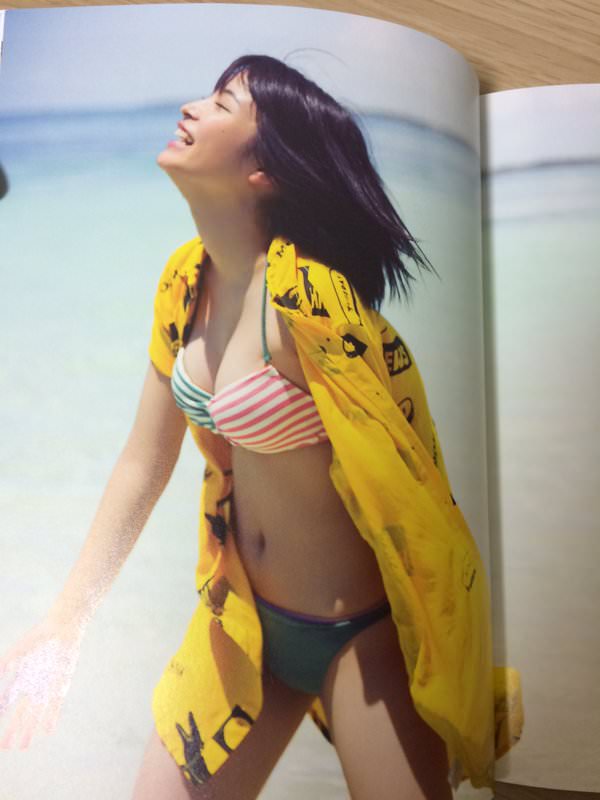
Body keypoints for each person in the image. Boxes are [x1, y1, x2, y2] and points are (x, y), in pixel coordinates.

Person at [0, 54, 522, 799]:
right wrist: (66, 622)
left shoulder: (311, 305)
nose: (191, 107)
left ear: (264, 170)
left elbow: (410, 478)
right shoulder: (185, 282)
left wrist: (456, 645)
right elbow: (142, 465)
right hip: (244, 623)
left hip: (363, 638)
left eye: (222, 104)